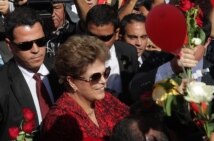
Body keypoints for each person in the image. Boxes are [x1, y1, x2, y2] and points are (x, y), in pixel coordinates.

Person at [41, 35, 129, 141]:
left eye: (105, 73)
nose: (103, 81)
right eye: (95, 77)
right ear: (71, 81)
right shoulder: (58, 120)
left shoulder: (107, 100)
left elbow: (133, 123)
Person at [0, 7, 63, 141]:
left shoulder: (60, 70)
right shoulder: (3, 85)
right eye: (25, 45)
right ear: (10, 45)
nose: (35, 50)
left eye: (40, 42)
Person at [84, 4, 139, 105]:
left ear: (117, 33)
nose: (97, 43)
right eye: (92, 37)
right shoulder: (76, 58)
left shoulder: (129, 52)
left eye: (105, 38)